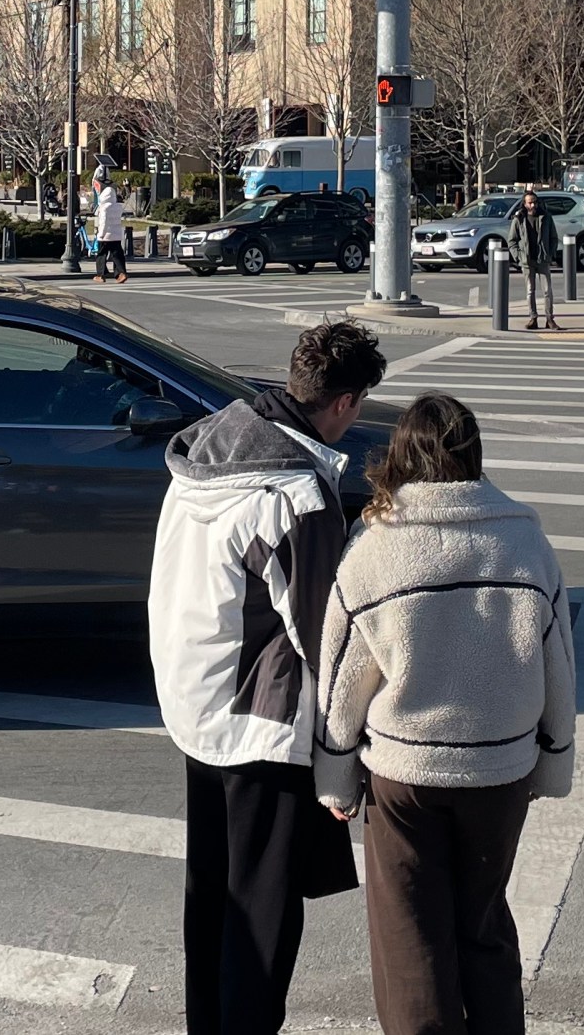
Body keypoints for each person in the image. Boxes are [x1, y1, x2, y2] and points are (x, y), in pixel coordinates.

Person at [152, 320, 387, 1035]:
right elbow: (326, 636)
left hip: (196, 699)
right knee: (262, 916)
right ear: (344, 403)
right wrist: (347, 752)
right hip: (256, 720)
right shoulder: (296, 496)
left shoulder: (214, 446)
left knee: (214, 898)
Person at [315, 394, 574, 1035]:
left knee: (411, 939)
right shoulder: (525, 540)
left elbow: (342, 675)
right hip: (502, 767)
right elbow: (559, 662)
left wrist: (336, 775)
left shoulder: (376, 547)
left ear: (402, 456)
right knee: (483, 925)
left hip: (404, 773)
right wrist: (554, 759)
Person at [506, 188, 562, 331]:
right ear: (524, 204)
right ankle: (533, 318)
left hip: (542, 259)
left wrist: (550, 254)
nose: (533, 205)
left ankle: (550, 319)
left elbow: (554, 238)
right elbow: (512, 240)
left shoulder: (546, 217)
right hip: (527, 259)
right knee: (530, 290)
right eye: (530, 203)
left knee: (547, 291)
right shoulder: (519, 219)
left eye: (535, 202)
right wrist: (518, 256)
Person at [93, 168, 131, 283]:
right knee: (117, 255)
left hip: (105, 235)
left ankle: (100, 274)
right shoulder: (117, 206)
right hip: (116, 234)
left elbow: (103, 222)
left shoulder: (104, 207)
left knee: (101, 254)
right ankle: (121, 273)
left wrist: (101, 234)